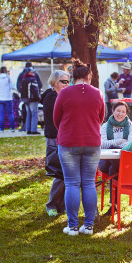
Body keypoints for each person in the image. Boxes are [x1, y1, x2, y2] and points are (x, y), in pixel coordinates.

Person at [54, 60, 105, 236]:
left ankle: (73, 227)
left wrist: (65, 130)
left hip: (68, 141)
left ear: (73, 77)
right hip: (92, 142)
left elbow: (56, 118)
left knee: (72, 183)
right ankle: (88, 226)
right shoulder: (98, 93)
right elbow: (101, 118)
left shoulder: (64, 93)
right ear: (88, 76)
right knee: (89, 183)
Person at [98, 100, 132, 214]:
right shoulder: (105, 126)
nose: (120, 114)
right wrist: (118, 142)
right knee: (113, 166)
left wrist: (112, 145)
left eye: (123, 112)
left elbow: (131, 145)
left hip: (120, 160)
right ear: (113, 111)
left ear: (126, 113)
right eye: (118, 111)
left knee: (113, 169)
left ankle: (114, 206)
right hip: (106, 161)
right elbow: (102, 144)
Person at [41, 70, 70, 217]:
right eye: (63, 81)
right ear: (54, 81)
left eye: (68, 82)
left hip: (63, 138)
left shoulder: (61, 96)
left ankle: (61, 205)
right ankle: (51, 204)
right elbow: (55, 121)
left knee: (66, 173)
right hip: (55, 138)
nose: (66, 84)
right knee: (60, 173)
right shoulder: (51, 97)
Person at [0, 66, 15, 132]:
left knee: (1, 114)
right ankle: (12, 128)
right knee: (10, 113)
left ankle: (1, 128)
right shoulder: (8, 77)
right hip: (8, 97)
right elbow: (11, 86)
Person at [21, 68, 40, 134]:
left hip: (25, 99)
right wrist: (38, 98)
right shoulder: (32, 79)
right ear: (28, 73)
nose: (33, 73)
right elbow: (35, 90)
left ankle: (28, 129)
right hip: (32, 99)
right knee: (34, 114)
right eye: (32, 72)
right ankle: (34, 130)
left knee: (28, 114)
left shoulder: (23, 79)